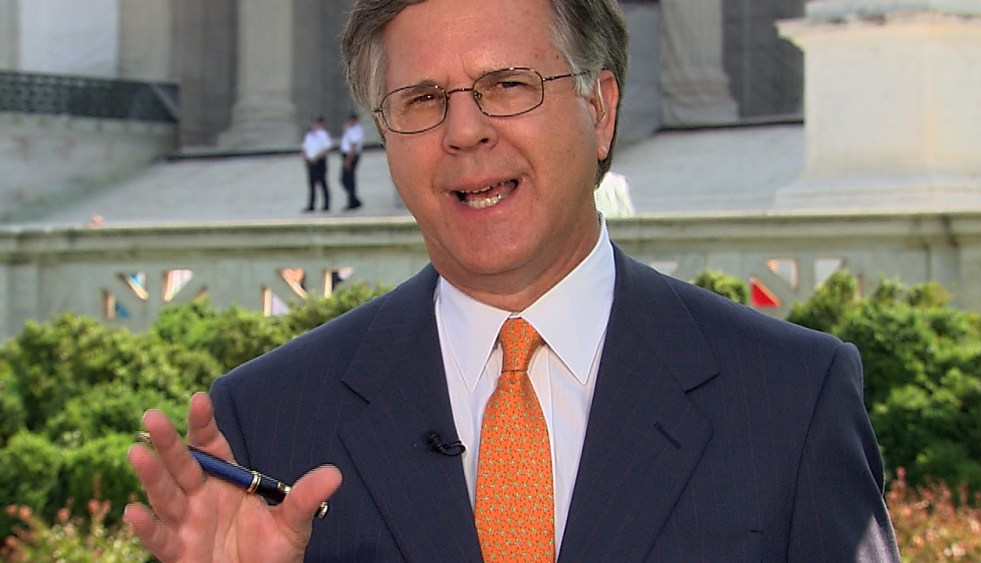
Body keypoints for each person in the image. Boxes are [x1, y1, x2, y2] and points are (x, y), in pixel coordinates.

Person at [125, 0, 901, 561]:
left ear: (600, 109)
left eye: (507, 85)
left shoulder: (791, 396)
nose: (465, 130)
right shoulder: (265, 418)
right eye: (423, 99)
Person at [301, 116, 334, 212]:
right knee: (311, 184)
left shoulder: (323, 135)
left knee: (323, 183)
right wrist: (305, 158)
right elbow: (305, 148)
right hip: (310, 162)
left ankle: (326, 204)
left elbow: (327, 149)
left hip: (320, 161)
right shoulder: (309, 135)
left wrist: (317, 157)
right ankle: (311, 205)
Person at [340, 113, 364, 210]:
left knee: (348, 178)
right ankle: (353, 199)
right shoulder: (350, 129)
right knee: (346, 179)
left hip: (351, 155)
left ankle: (353, 200)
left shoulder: (356, 130)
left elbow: (353, 145)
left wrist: (348, 159)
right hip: (347, 155)